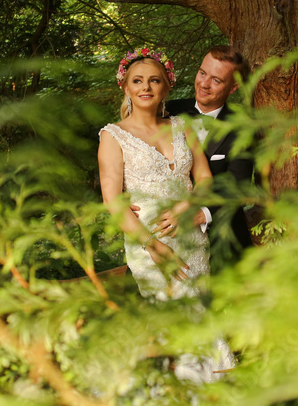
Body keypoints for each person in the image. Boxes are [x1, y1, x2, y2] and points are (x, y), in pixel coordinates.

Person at [98, 46, 234, 384]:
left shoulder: (182, 126)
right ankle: (186, 399)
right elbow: (113, 201)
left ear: (166, 86)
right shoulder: (113, 136)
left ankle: (204, 399)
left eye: (154, 80)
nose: (146, 87)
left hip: (191, 237)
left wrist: (187, 206)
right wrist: (153, 246)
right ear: (125, 86)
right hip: (150, 243)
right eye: (137, 81)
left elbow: (204, 178)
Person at [164, 45, 254, 270]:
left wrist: (200, 215)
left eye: (216, 80)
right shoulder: (167, 111)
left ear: (233, 88)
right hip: (164, 232)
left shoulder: (243, 127)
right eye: (202, 73)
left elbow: (237, 186)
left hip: (222, 240)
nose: (204, 84)